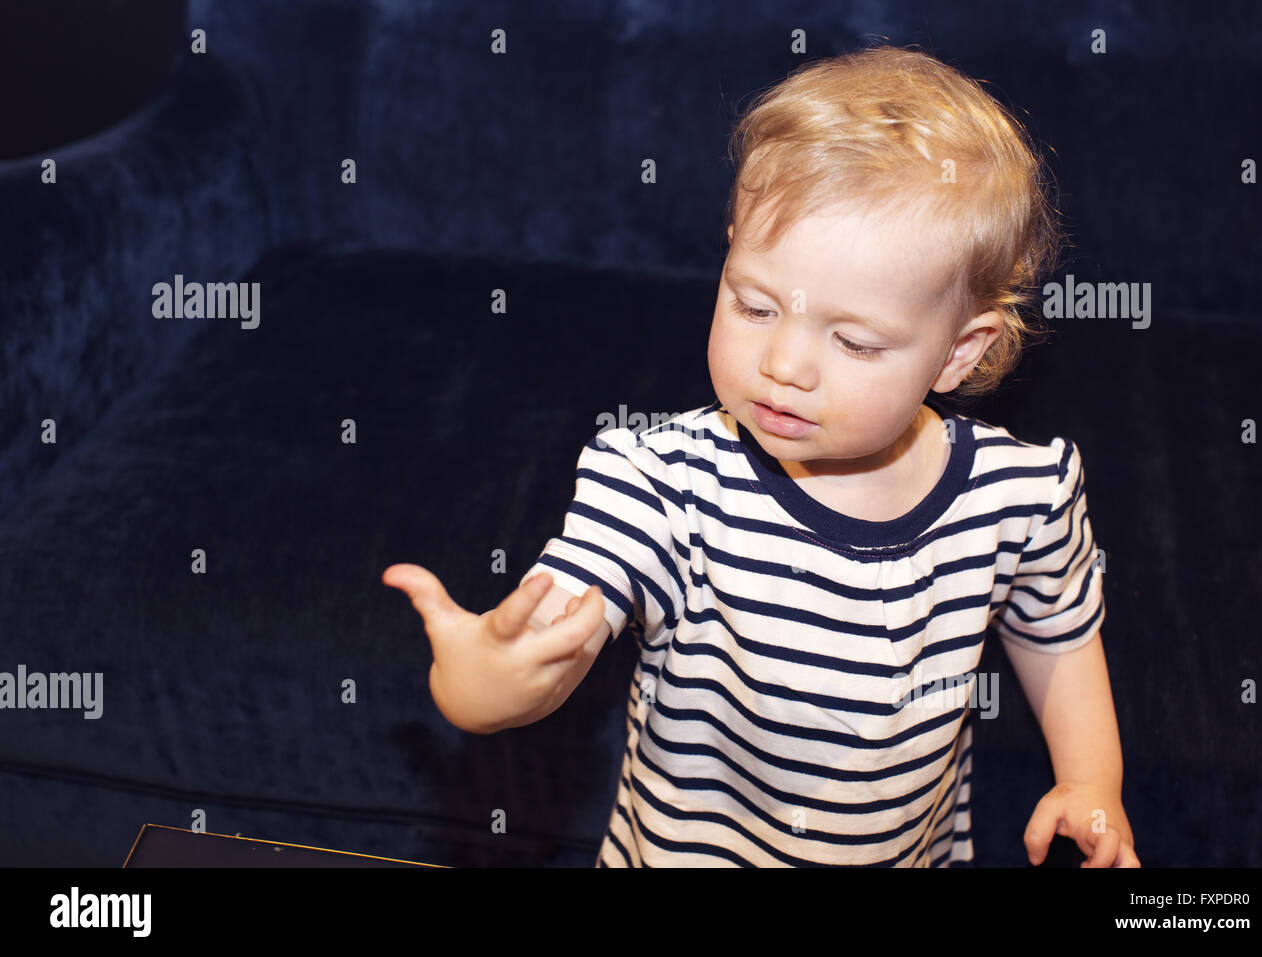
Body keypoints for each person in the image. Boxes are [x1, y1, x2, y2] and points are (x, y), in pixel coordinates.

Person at [382, 43, 1138, 868]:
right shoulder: (659, 482)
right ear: (731, 247)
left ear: (959, 353)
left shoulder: (1018, 497)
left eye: (852, 340)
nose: (784, 364)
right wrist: (484, 676)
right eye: (753, 303)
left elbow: (1057, 635)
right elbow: (547, 653)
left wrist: (1092, 780)